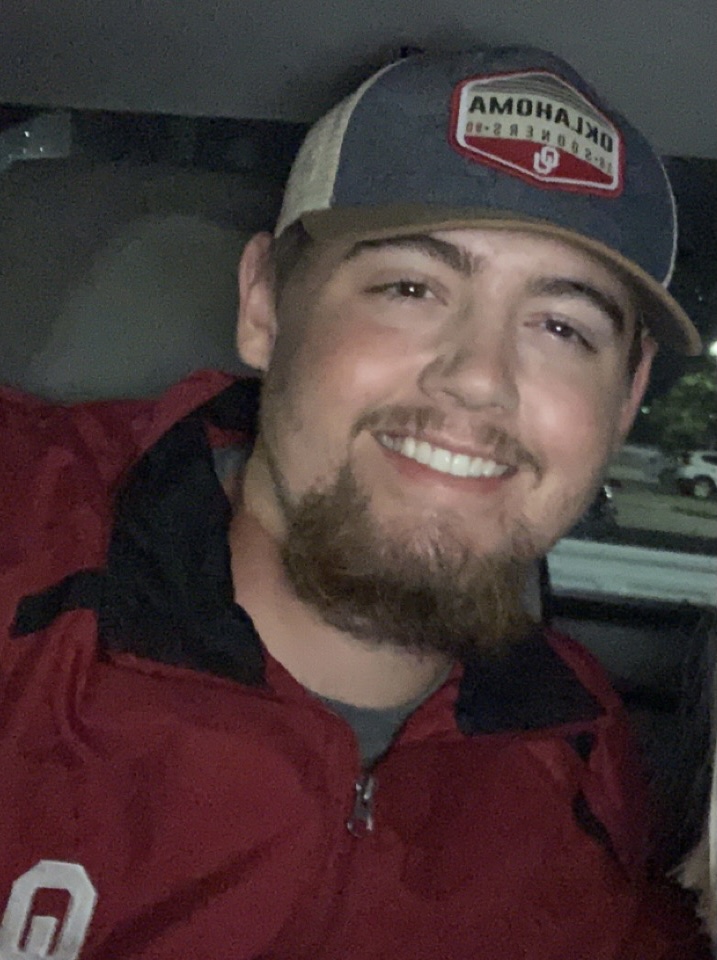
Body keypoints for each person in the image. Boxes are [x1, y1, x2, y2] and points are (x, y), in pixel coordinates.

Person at [0, 45, 709, 958]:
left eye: (562, 327)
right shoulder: (25, 532)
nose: (479, 379)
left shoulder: (578, 754)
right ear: (264, 306)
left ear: (625, 399)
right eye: (409, 288)